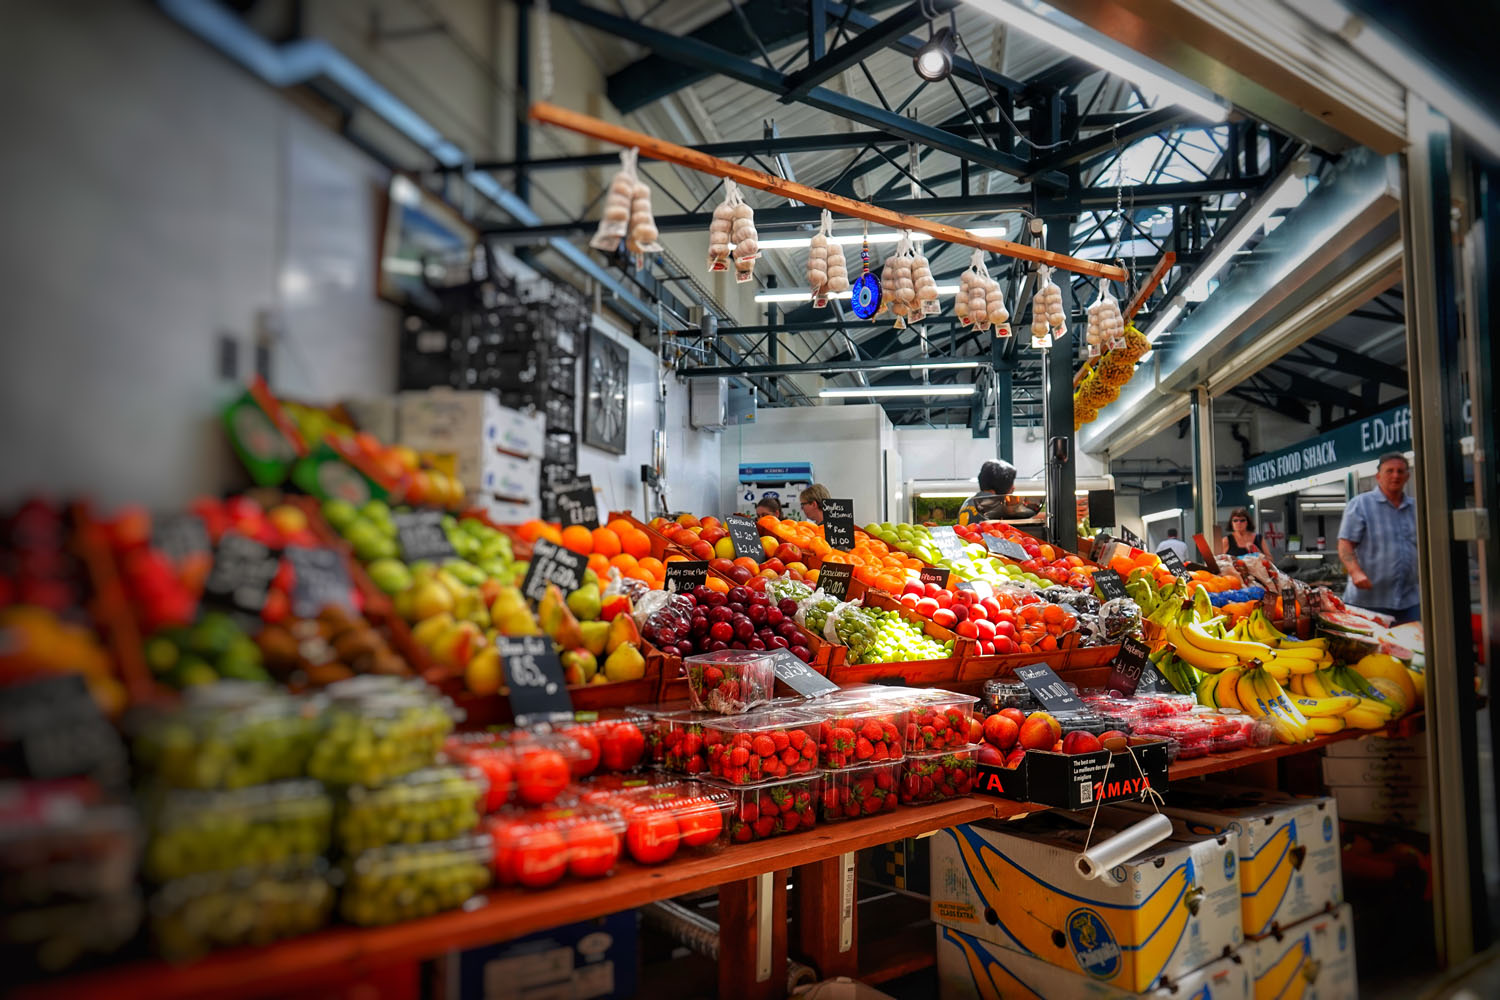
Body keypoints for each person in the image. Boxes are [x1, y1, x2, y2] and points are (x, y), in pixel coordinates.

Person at [1337, 453, 1419, 622]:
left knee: (1414, 646)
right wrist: (1355, 572)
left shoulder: (1416, 508)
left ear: (1407, 476)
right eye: (1390, 471)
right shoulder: (1360, 505)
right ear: (1378, 476)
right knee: (1373, 647)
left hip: (1409, 600)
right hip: (1369, 601)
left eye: (1400, 471)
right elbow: (1345, 544)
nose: (1395, 475)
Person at [957, 460, 1038, 525]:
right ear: (1002, 484)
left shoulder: (968, 501)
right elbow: (1023, 519)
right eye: (1011, 483)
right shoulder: (992, 503)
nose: (1013, 487)